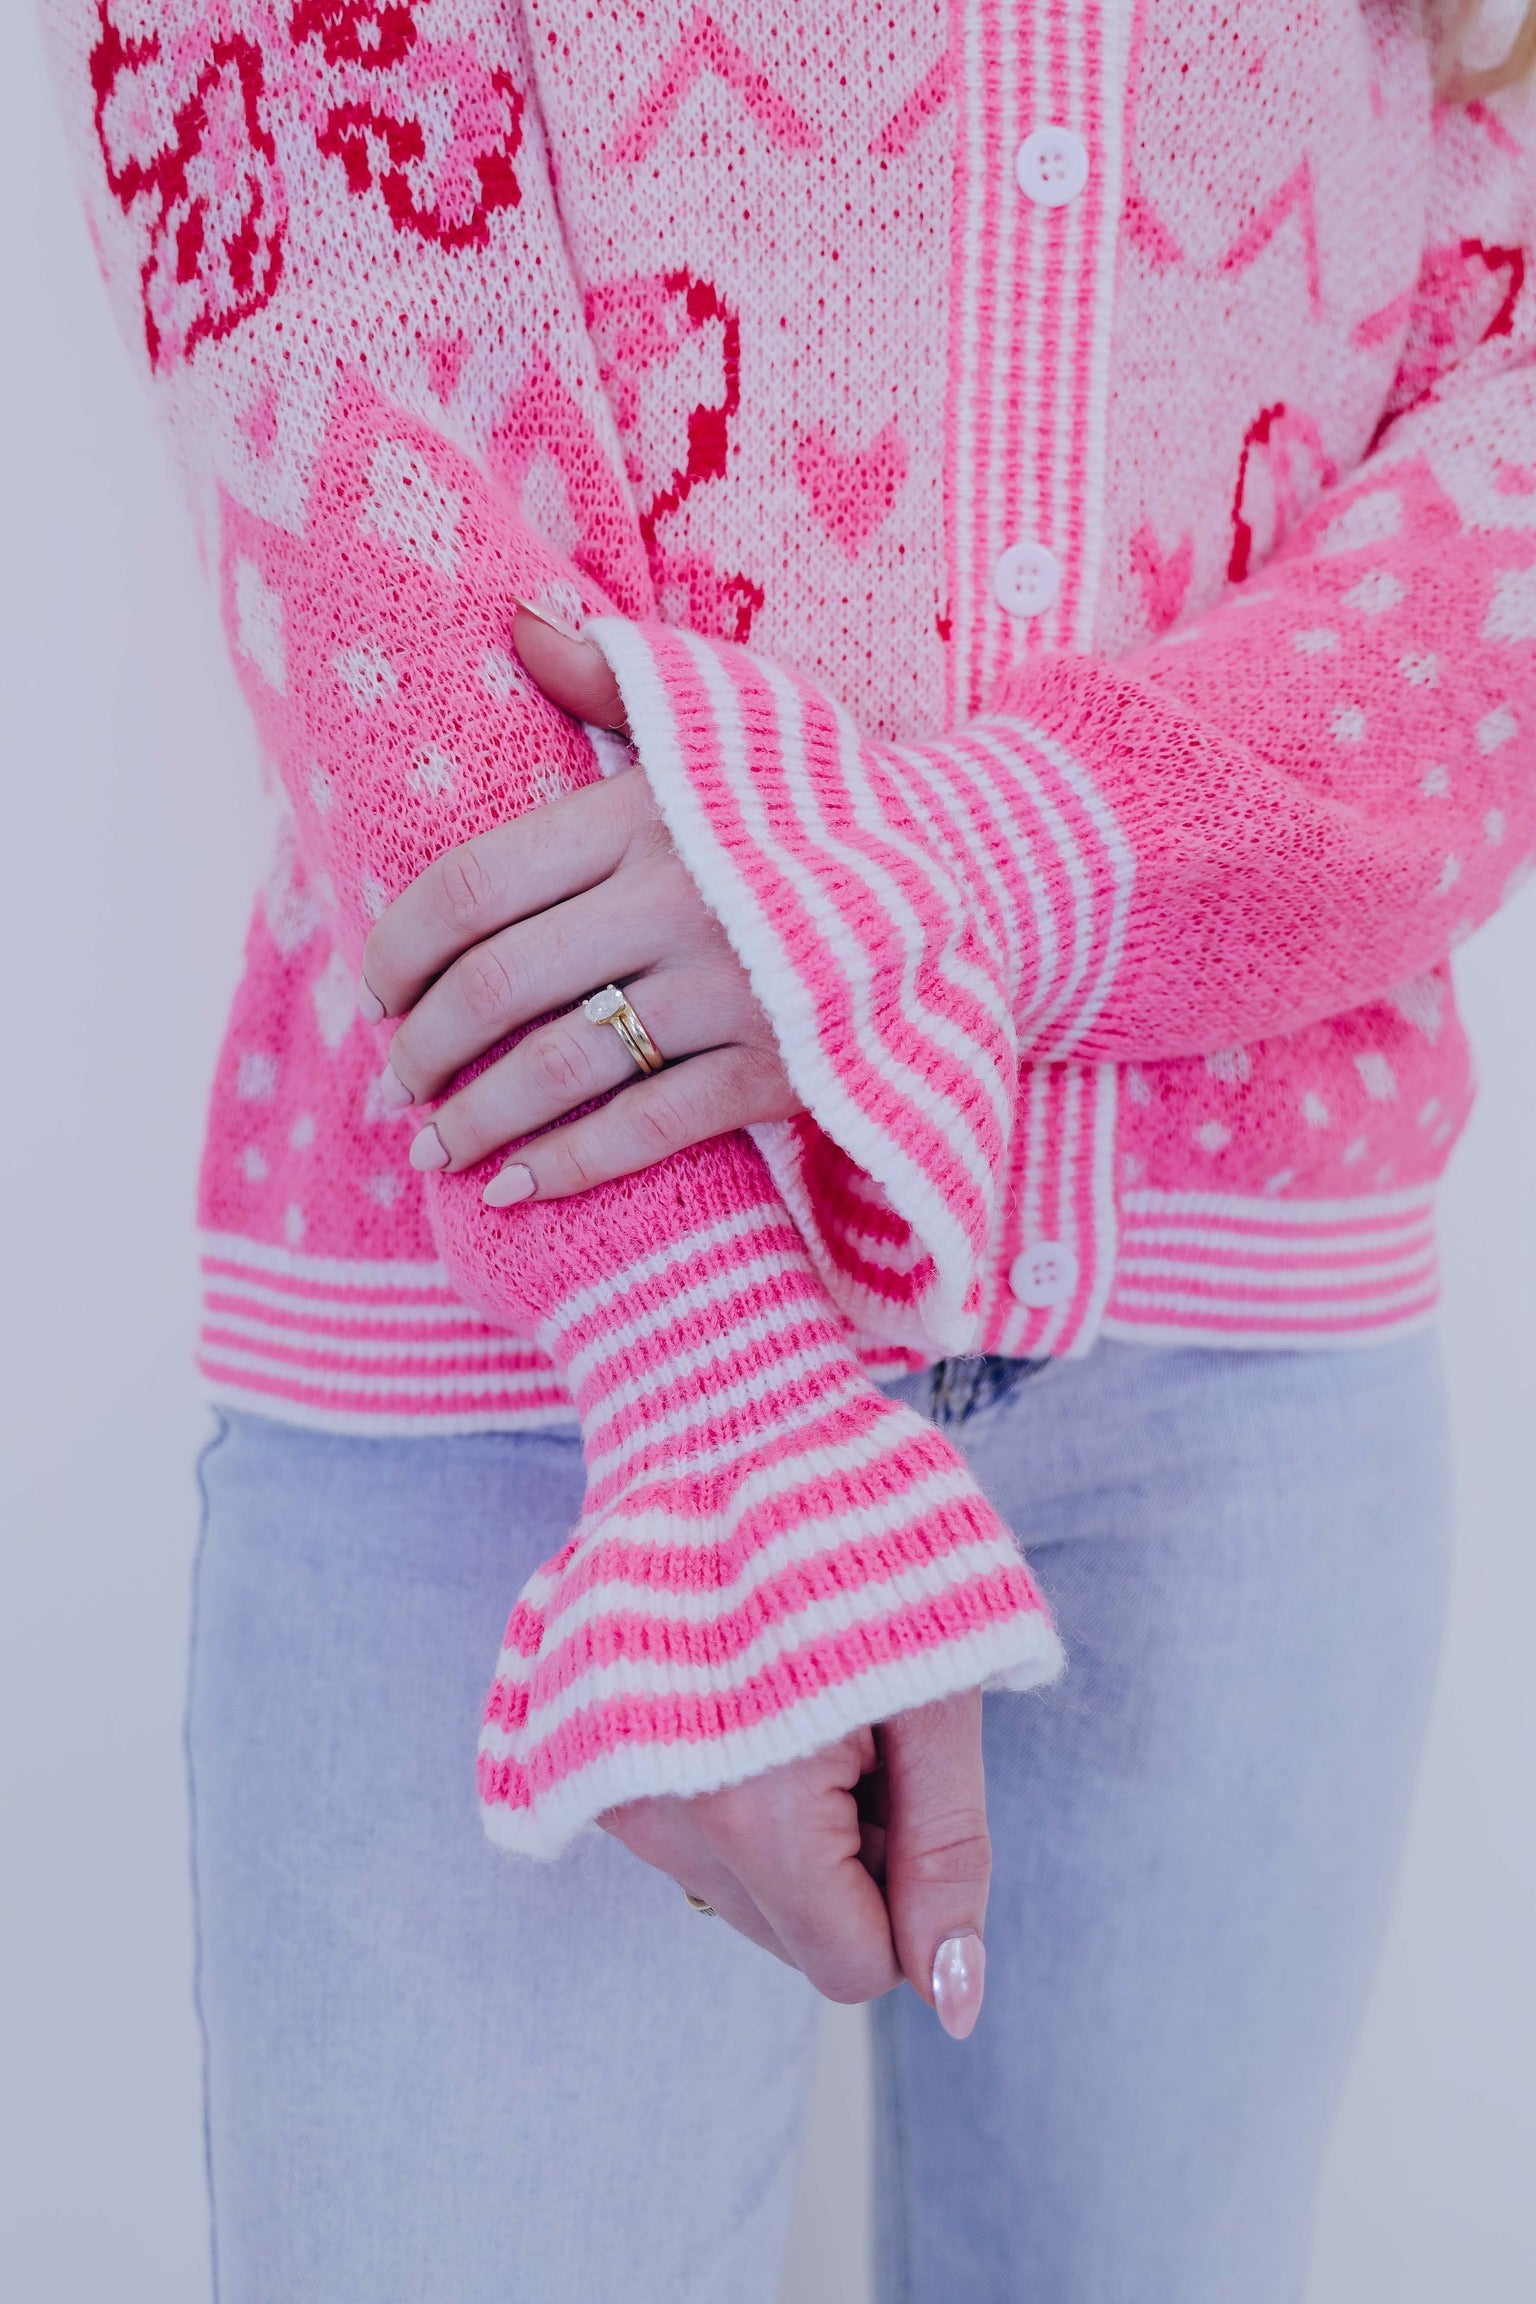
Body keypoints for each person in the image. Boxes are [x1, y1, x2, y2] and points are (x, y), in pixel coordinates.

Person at [40, 0, 1535, 2294]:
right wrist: (710, 1379)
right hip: (535, 1390)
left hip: (1248, 1379)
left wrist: (974, 868)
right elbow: (330, 330)